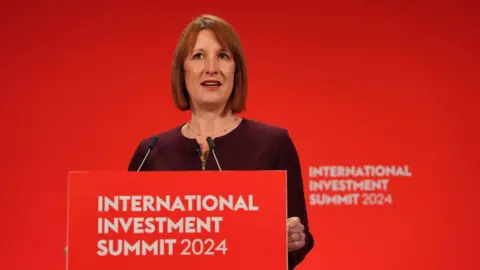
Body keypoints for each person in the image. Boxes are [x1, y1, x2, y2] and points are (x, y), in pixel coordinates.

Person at [128, 14, 314, 269]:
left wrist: (293, 239)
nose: (211, 67)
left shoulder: (273, 143)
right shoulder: (151, 153)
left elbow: (300, 240)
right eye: (198, 56)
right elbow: (129, 243)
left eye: (223, 56)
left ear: (236, 71)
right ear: (182, 70)